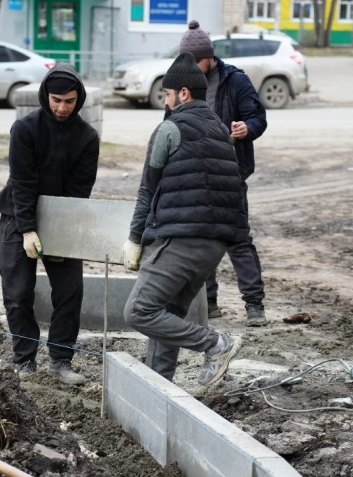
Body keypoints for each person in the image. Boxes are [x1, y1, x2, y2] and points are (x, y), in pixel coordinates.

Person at [121, 52, 245, 386]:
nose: (166, 101)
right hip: (213, 246)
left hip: (180, 241)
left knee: (140, 311)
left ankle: (217, 344)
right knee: (169, 316)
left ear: (183, 94)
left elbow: (148, 189)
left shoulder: (170, 128)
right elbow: (234, 189)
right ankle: (156, 388)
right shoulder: (220, 131)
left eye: (167, 94)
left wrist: (135, 239)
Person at [0, 63, 99, 385]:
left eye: (68, 101)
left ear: (78, 99)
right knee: (18, 290)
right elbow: (22, 183)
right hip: (17, 215)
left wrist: (63, 236)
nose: (62, 107)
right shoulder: (25, 130)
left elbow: (78, 192)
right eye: (56, 100)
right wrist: (27, 230)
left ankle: (61, 360)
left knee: (70, 290)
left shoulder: (87, 137)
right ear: (45, 96)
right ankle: (25, 359)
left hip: (62, 218)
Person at [177, 21, 269, 326]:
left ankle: (254, 305)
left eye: (196, 62)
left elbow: (257, 117)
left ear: (210, 57)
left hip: (230, 173)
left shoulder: (235, 80)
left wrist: (248, 128)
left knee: (238, 239)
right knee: (202, 241)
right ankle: (210, 303)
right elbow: (170, 121)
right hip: (195, 174)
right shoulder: (182, 81)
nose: (192, 67)